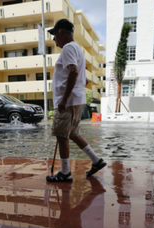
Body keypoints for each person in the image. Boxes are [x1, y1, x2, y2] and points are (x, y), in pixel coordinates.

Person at [46, 19, 106, 182]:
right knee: (73, 133)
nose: (53, 39)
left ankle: (65, 173)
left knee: (62, 136)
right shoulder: (77, 50)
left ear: (63, 32)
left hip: (69, 102)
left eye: (55, 34)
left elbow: (73, 71)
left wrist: (64, 99)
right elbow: (84, 79)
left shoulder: (68, 48)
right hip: (76, 100)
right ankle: (96, 160)